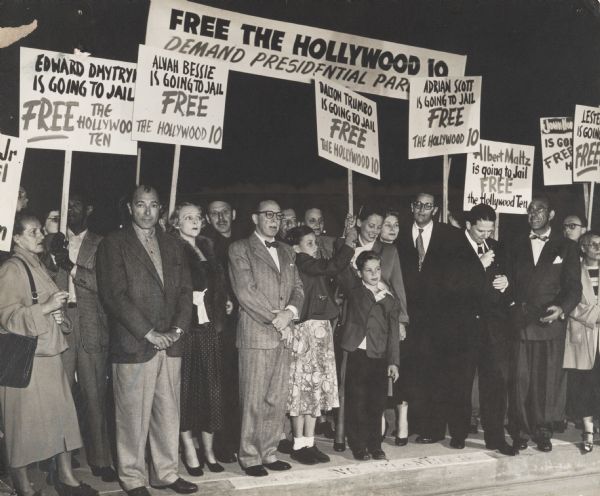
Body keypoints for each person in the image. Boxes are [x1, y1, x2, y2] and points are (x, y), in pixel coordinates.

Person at [96, 185, 196, 496]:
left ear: (161, 209)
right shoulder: (114, 244)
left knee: (168, 414)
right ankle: (133, 479)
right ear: (130, 207)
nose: (147, 211)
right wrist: (149, 332)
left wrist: (177, 331)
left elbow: (184, 293)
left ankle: (166, 474)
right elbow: (115, 295)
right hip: (135, 344)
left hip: (171, 344)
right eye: (141, 204)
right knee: (132, 418)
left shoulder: (173, 245)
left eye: (153, 205)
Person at [0, 212, 98, 496]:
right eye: (33, 232)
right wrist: (45, 309)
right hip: (27, 361)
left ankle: (66, 478)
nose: (41, 235)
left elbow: (48, 308)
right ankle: (24, 487)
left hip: (50, 354)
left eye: (41, 229)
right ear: (16, 238)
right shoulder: (11, 269)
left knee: (62, 420)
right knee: (21, 426)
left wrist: (56, 315)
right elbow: (6, 316)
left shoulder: (37, 265)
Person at [228, 200, 304, 477]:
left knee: (277, 398)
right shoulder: (240, 249)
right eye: (268, 215)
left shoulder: (286, 250)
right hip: (256, 335)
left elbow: (298, 288)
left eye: (278, 216)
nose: (274, 220)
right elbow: (245, 293)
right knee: (253, 399)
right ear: (254, 217)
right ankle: (249, 456)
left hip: (283, 334)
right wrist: (277, 319)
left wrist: (290, 313)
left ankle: (269, 452)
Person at [507, 195, 581, 452]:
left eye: (540, 210)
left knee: (545, 382)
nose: (534, 213)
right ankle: (520, 431)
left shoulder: (567, 247)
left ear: (551, 215)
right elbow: (506, 280)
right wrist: (511, 305)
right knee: (520, 380)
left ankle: (542, 430)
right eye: (530, 210)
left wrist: (561, 308)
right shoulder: (515, 243)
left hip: (550, 325)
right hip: (521, 323)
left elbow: (574, 287)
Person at [283, 225, 356, 465]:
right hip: (305, 330)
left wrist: (344, 236)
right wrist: (348, 244)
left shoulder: (312, 263)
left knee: (315, 390)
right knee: (301, 390)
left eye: (315, 242)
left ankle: (309, 442)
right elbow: (332, 265)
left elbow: (335, 270)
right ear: (295, 248)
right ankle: (298, 443)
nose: (315, 248)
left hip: (321, 330)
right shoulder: (302, 262)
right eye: (310, 243)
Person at [448, 204, 517, 455]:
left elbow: (510, 283)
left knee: (495, 384)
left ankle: (495, 437)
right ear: (468, 225)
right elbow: (450, 286)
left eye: (489, 230)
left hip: (493, 327)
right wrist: (478, 264)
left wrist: (506, 283)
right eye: (480, 230)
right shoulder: (453, 247)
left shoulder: (497, 247)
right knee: (461, 381)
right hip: (463, 327)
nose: (485, 236)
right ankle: (458, 433)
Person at [168, 203, 229, 474]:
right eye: (187, 217)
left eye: (197, 217)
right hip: (187, 330)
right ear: (175, 223)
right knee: (188, 393)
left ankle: (209, 451)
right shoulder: (172, 249)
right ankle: (189, 450)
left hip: (210, 330)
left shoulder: (207, 246)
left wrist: (222, 301)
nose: (194, 221)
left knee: (212, 392)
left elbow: (218, 283)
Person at [58, 194, 116, 481]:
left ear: (89, 209)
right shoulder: (51, 239)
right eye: (66, 204)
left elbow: (104, 283)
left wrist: (69, 264)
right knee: (61, 394)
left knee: (95, 394)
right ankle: (59, 458)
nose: (71, 210)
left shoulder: (102, 243)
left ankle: (101, 458)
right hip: (60, 322)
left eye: (76, 204)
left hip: (91, 321)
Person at [396, 192, 461, 444]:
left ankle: (433, 428)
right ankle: (411, 423)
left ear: (435, 210)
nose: (422, 209)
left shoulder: (450, 235)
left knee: (436, 373)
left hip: (439, 320)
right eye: (418, 205)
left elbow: (459, 276)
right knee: (411, 370)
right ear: (412, 207)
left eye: (428, 206)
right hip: (408, 317)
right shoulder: (399, 234)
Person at [337, 250, 400, 461]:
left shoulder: (390, 299)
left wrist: (393, 362)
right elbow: (343, 270)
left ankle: (375, 445)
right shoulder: (355, 290)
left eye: (377, 269)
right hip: (358, 353)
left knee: (377, 403)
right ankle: (358, 445)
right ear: (360, 272)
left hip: (379, 355)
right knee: (357, 402)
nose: (374, 274)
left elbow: (393, 334)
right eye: (368, 270)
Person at [202, 199, 240, 464]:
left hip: (244, 323)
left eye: (225, 212)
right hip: (219, 326)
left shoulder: (245, 242)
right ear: (207, 218)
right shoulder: (206, 244)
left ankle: (239, 440)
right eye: (214, 214)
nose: (221, 217)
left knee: (240, 384)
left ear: (234, 213)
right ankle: (223, 444)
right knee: (222, 385)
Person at [563, 231, 600, 453]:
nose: (598, 247)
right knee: (584, 384)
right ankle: (587, 429)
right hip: (582, 336)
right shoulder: (573, 270)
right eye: (593, 244)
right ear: (583, 248)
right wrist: (595, 317)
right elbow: (568, 302)